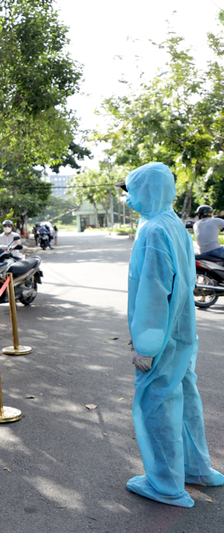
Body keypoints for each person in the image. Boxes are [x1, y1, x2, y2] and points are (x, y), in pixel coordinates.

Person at [116, 162, 224, 508]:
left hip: (161, 336)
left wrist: (145, 346)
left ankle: (165, 484)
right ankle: (197, 468)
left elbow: (153, 292)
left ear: (145, 191)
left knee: (157, 404)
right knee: (185, 395)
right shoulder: (174, 223)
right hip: (182, 331)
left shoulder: (151, 231)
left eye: (132, 191)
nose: (129, 198)